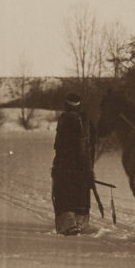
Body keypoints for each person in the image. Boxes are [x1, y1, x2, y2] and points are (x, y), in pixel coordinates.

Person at [51, 93, 96, 235]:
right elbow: (92, 143)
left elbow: (59, 146)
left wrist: (57, 165)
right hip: (84, 166)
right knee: (81, 193)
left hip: (66, 165)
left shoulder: (64, 120)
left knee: (65, 193)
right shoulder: (87, 121)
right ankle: (80, 222)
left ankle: (69, 224)